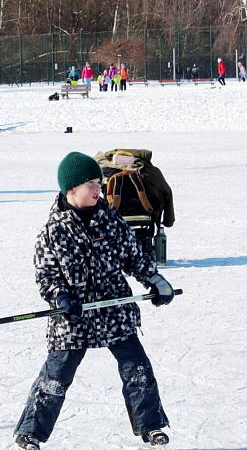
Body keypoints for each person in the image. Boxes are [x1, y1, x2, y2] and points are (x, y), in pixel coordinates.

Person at [13, 152, 174, 450]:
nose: (98, 188)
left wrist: (155, 280)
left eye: (98, 182)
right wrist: (61, 297)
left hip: (114, 309)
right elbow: (47, 276)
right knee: (56, 375)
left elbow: (135, 258)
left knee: (137, 368)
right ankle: (30, 433)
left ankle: (151, 426)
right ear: (71, 188)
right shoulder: (52, 231)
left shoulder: (111, 221)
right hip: (72, 317)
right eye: (91, 183)